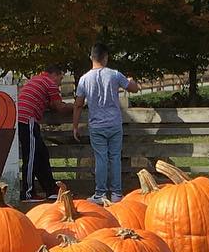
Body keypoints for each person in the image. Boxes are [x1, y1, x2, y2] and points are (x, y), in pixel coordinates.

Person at [73, 44, 140, 204]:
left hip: (96, 125)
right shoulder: (115, 75)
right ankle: (116, 193)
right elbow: (134, 89)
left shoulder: (84, 79)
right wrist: (132, 81)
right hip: (114, 123)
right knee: (115, 157)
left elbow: (78, 104)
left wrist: (75, 126)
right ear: (106, 57)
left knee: (101, 158)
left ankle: (100, 193)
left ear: (91, 57)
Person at [15, 66, 65, 201]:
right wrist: (77, 106)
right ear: (55, 74)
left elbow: (47, 102)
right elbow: (59, 106)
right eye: (61, 78)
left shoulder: (36, 80)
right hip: (28, 119)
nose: (60, 82)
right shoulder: (50, 83)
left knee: (41, 153)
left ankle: (50, 189)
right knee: (31, 156)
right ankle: (27, 192)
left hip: (21, 117)